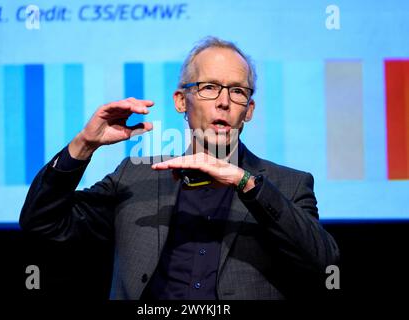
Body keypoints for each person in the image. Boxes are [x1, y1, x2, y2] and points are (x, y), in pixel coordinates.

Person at [20, 36, 339, 300]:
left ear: (249, 110)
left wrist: (246, 183)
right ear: (181, 101)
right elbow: (43, 223)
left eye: (237, 91)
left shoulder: (287, 185)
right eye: (209, 87)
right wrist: (84, 145)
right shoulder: (135, 175)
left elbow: (322, 262)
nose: (224, 101)